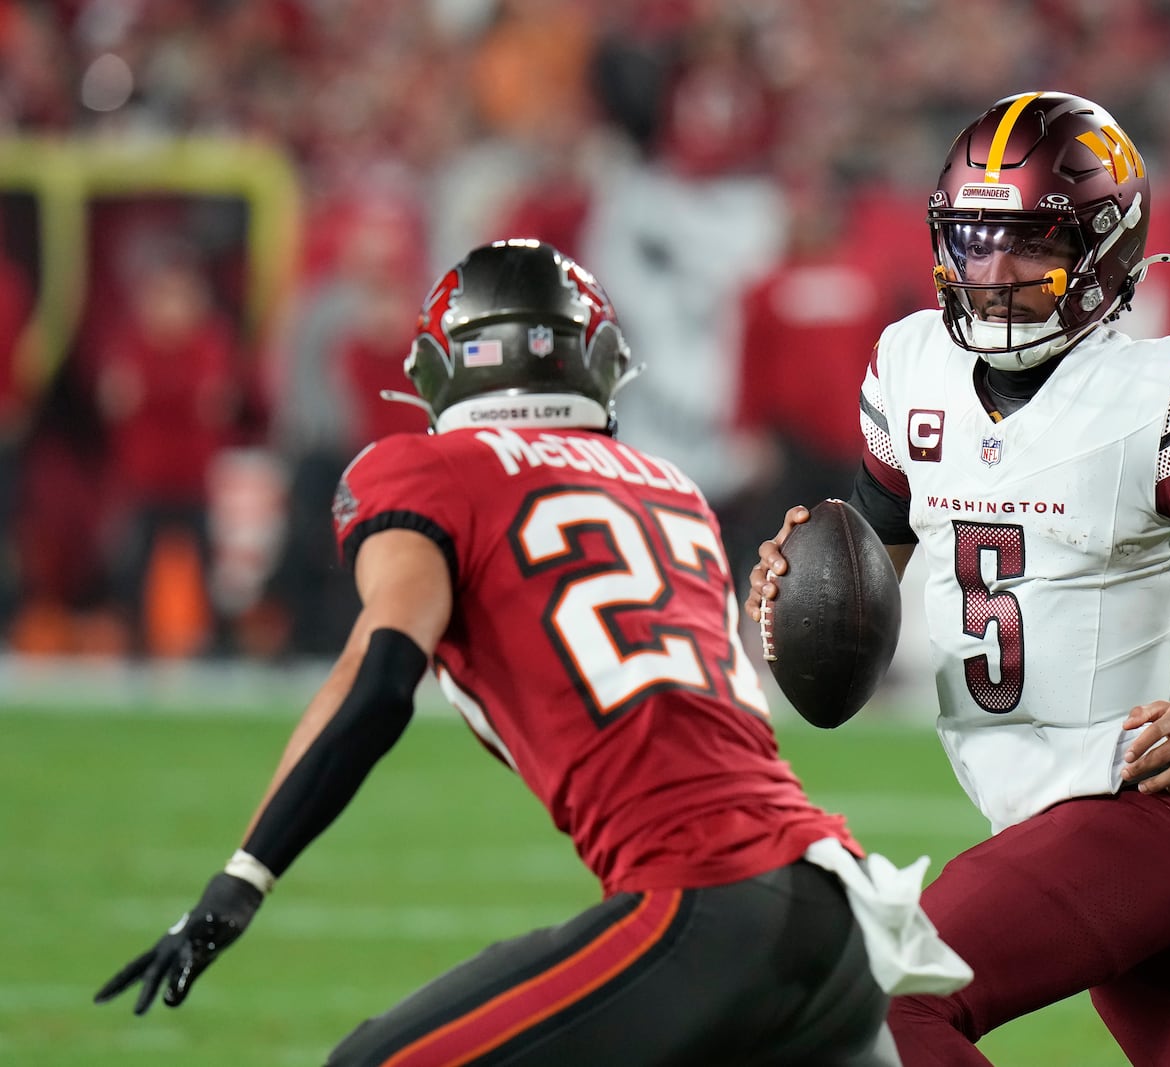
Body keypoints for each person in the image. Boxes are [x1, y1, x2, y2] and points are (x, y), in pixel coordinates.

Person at [95, 239, 968, 1066]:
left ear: (447, 368)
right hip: (835, 906)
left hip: (701, 906)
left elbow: (380, 674)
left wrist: (244, 877)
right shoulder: (668, 486)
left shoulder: (424, 471)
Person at [746, 92, 1170, 1066]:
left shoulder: (1152, 390)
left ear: (1103, 248)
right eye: (973, 239)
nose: (993, 272)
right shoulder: (910, 365)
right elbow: (870, 577)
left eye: (1029, 243)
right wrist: (799, 594)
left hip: (1132, 805)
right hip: (1062, 821)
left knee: (879, 995)